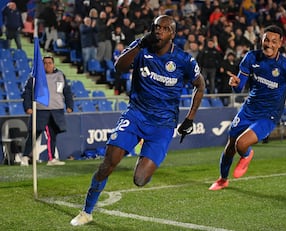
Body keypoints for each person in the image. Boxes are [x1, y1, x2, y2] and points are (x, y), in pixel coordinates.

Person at [70, 15, 205, 226]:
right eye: (156, 27)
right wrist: (140, 43)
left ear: (172, 34)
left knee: (140, 180)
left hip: (163, 125)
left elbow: (200, 85)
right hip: (135, 115)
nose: (159, 31)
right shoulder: (142, 47)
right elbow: (119, 66)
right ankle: (87, 211)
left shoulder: (183, 60)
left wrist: (190, 118)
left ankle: (145, 158)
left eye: (164, 28)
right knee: (109, 163)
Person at [208, 25, 286, 191]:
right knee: (230, 145)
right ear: (261, 40)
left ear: (280, 43)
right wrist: (234, 84)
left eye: (273, 41)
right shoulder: (251, 57)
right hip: (249, 109)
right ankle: (222, 179)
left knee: (241, 144)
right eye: (266, 40)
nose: (269, 44)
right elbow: (239, 88)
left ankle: (247, 154)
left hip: (268, 115)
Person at [20, 55, 74, 167]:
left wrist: (69, 105)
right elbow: (28, 92)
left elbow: (66, 91)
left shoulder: (60, 76)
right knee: (33, 134)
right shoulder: (35, 77)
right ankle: (25, 157)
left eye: (50, 63)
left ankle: (51, 158)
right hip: (40, 110)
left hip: (56, 110)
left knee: (52, 135)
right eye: (45, 63)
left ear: (53, 64)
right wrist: (27, 107)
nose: (47, 65)